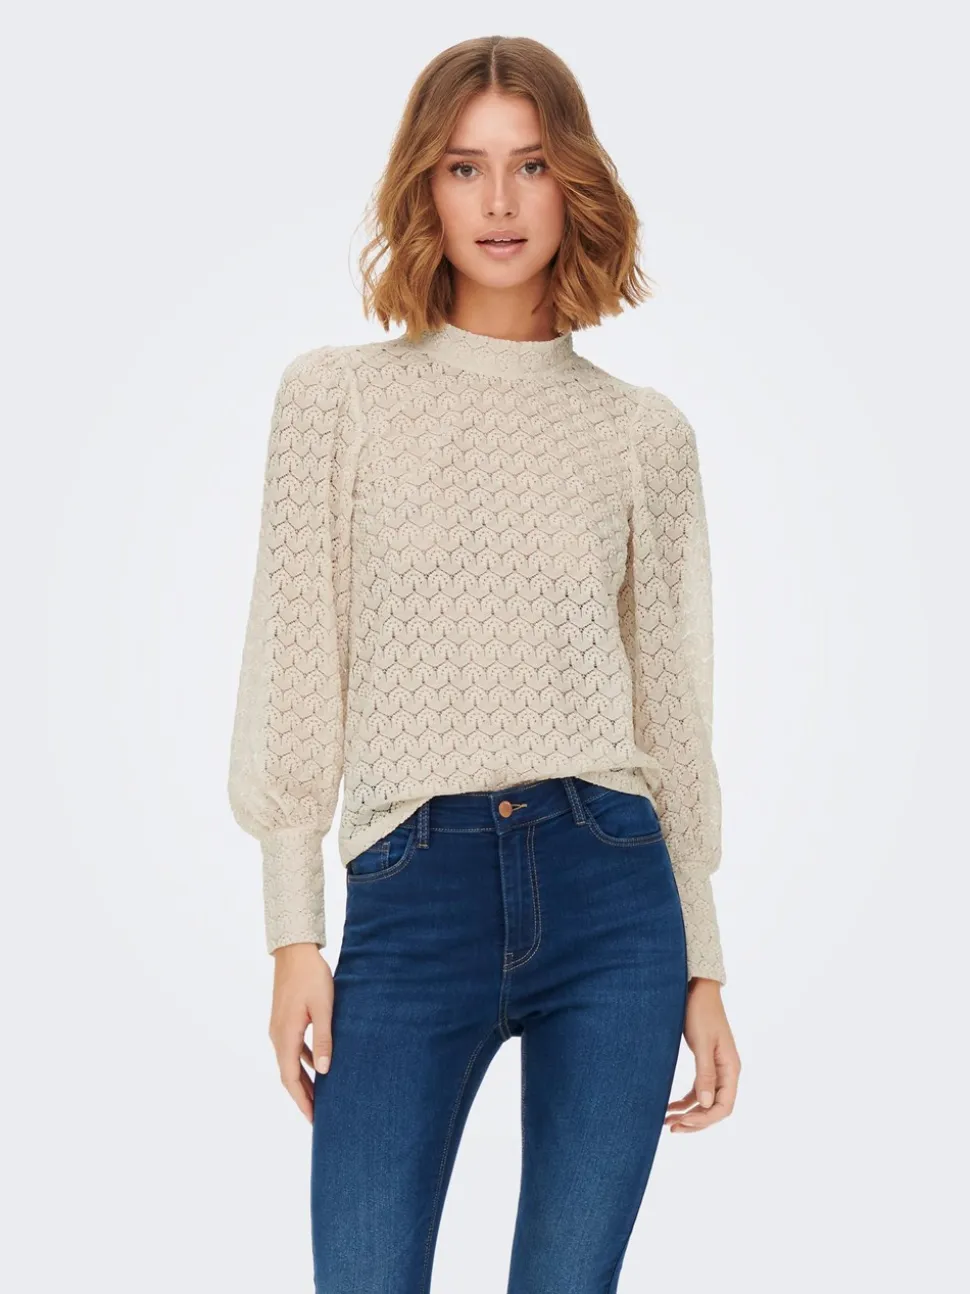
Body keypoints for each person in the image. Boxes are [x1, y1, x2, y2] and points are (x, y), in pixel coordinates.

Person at [227, 33, 741, 1293]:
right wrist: (294, 934)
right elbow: (294, 668)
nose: (499, 202)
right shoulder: (335, 401)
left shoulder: (642, 435)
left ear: (576, 185)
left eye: (531, 165)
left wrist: (704, 960)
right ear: (426, 186)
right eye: (465, 167)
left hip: (614, 888)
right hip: (411, 892)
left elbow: (673, 714)